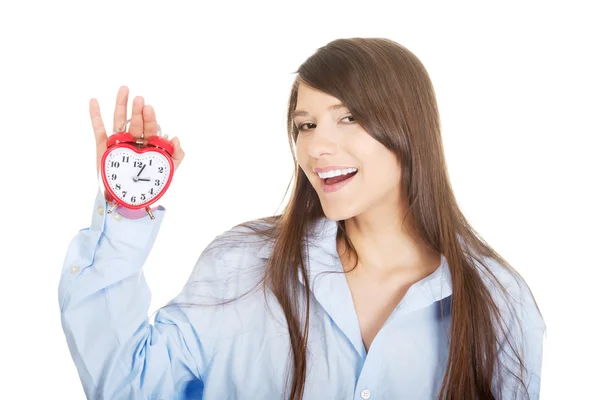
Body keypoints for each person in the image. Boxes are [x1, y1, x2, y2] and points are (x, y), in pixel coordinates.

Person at [58, 38, 546, 400]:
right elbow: (128, 384)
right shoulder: (243, 265)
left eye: (348, 118)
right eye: (305, 126)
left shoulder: (498, 303)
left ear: (408, 129)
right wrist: (128, 203)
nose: (316, 146)